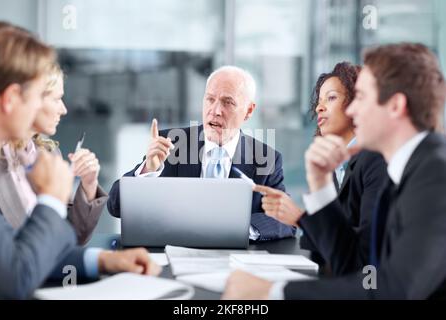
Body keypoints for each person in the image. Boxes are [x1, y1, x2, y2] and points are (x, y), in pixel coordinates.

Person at [223, 43, 446, 299]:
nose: (352, 109)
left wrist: (274, 292)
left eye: (361, 97)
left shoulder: (435, 175)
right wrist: (321, 186)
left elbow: (392, 289)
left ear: (395, 106)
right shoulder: (407, 170)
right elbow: (360, 267)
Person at [0, 21, 160, 300]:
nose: (49, 108)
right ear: (12, 98)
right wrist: (50, 200)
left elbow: (15, 257)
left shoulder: (39, 154)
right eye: (40, 96)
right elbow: (13, 278)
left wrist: (104, 261)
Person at [107, 66, 295, 241]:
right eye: (210, 99)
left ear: (248, 111)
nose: (216, 111)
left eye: (227, 102)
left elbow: (286, 220)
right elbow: (115, 206)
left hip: (234, 263)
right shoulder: (172, 143)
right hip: (174, 255)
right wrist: (148, 169)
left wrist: (239, 230)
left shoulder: (266, 159)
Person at [253, 62, 387, 275]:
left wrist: (300, 217)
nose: (319, 108)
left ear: (356, 102)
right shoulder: (335, 167)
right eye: (319, 101)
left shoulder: (375, 161)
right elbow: (328, 244)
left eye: (331, 98)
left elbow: (367, 254)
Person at [0, 63, 107, 244]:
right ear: (32, 100)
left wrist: (89, 184)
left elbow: (71, 237)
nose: (63, 109)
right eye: (56, 99)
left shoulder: (48, 153)